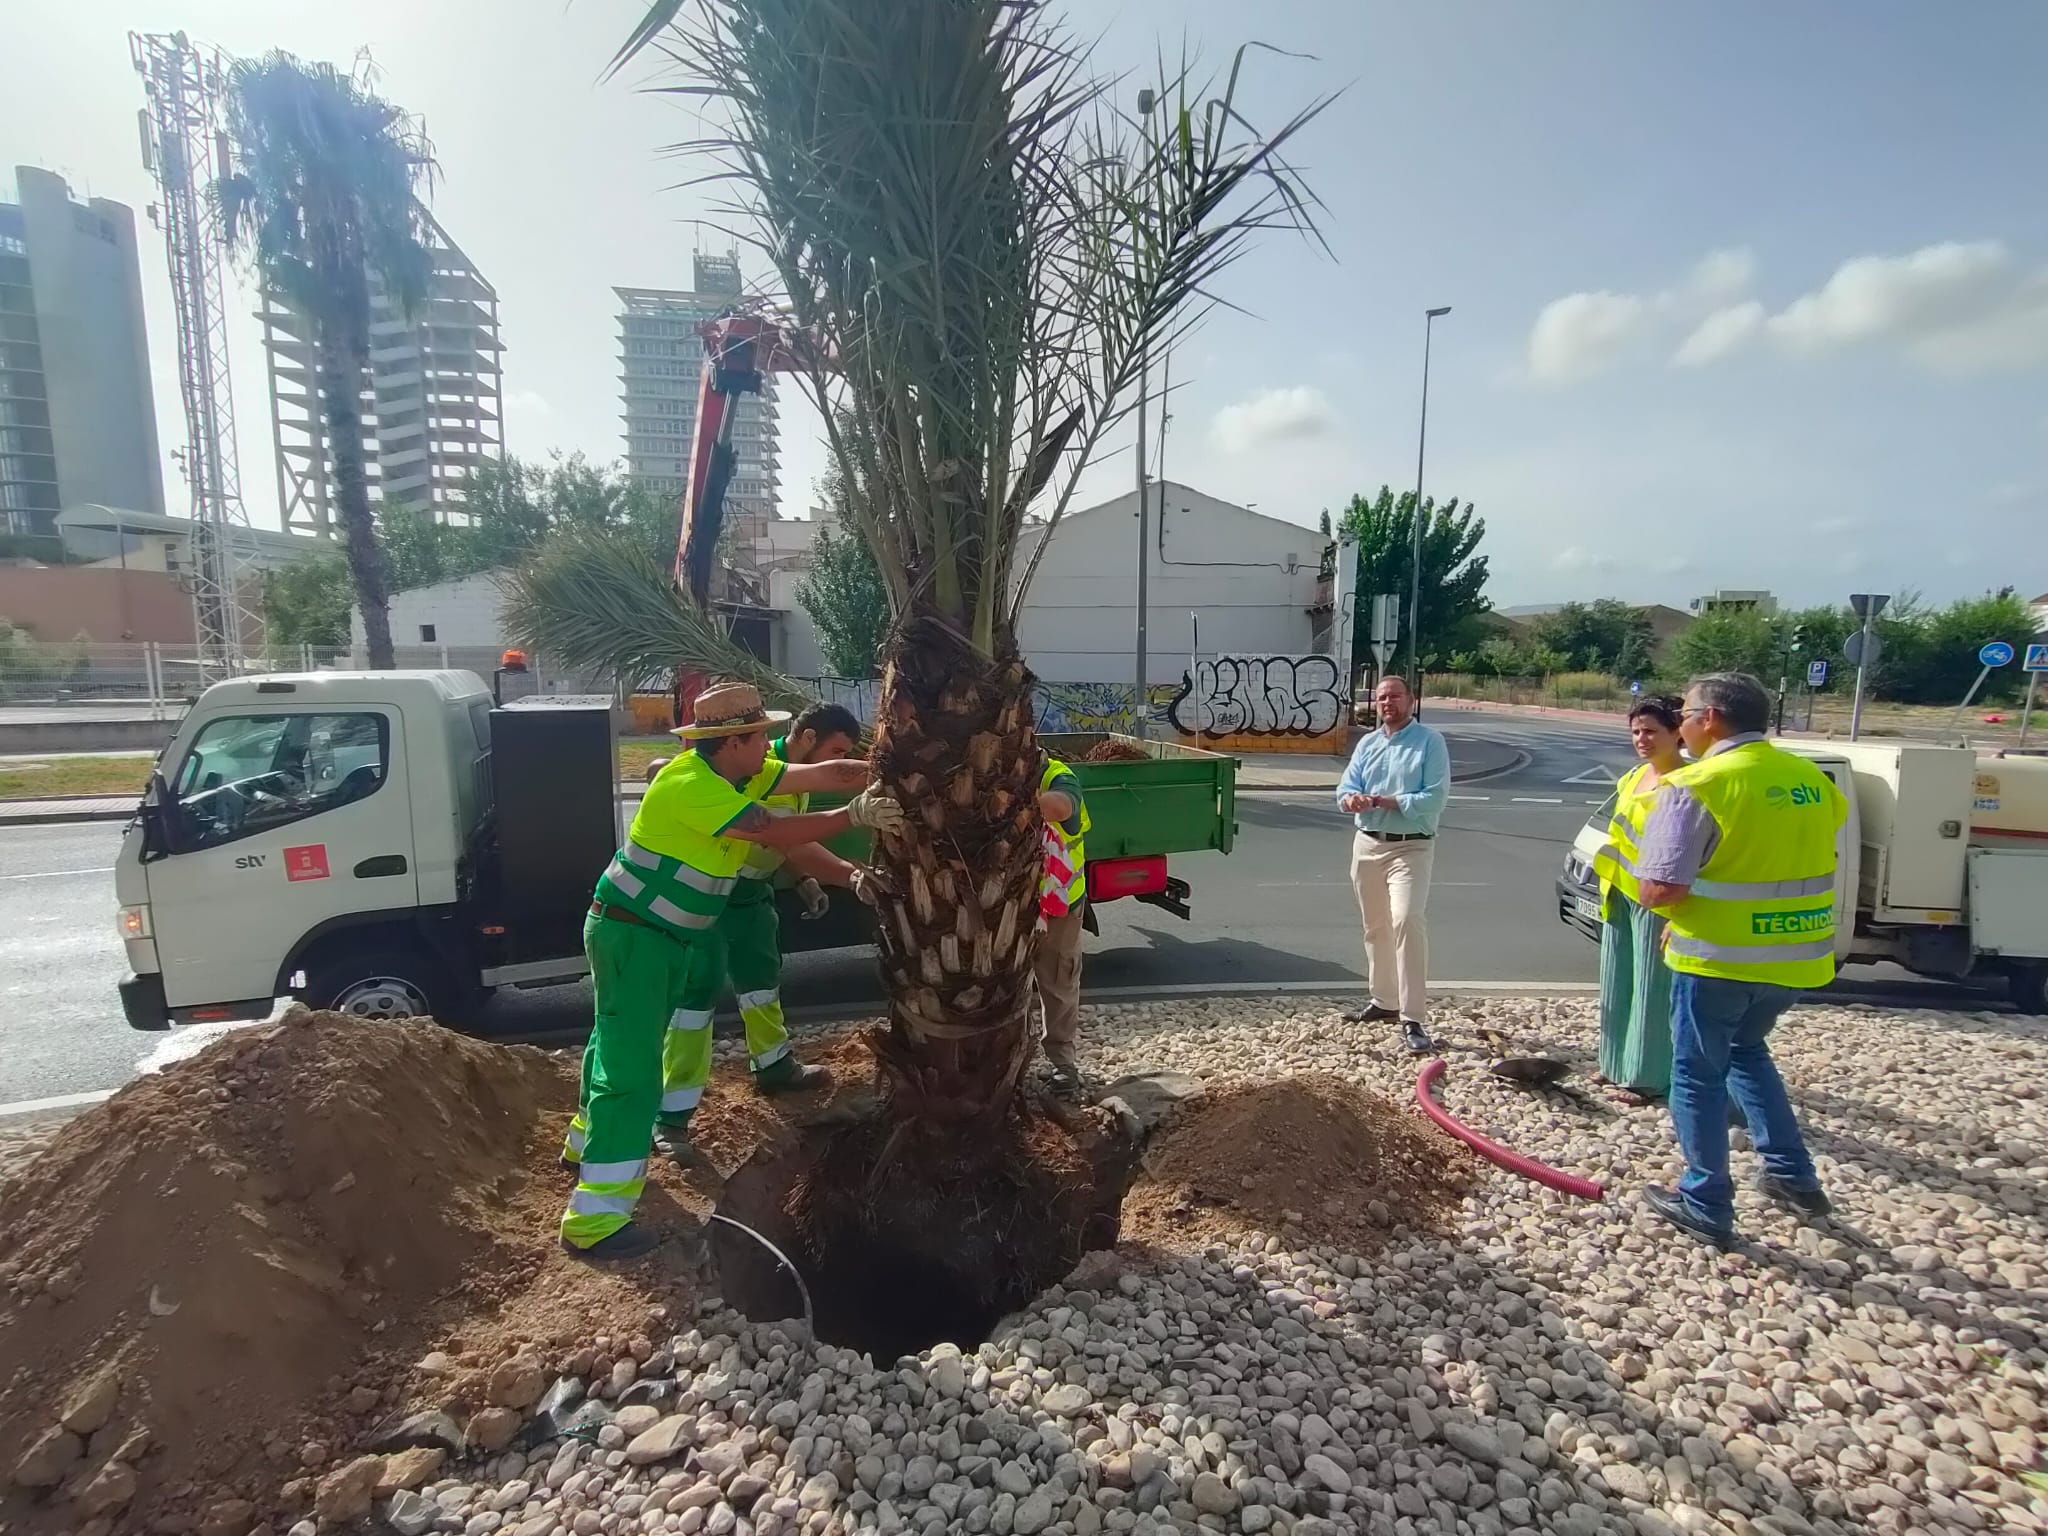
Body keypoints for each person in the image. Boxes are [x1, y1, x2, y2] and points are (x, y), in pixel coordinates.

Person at [559, 681, 903, 1260]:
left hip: (659, 937)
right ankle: (594, 1222)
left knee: (613, 1040)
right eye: (761, 737)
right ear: (733, 741)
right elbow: (772, 830)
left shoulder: (735, 771)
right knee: (631, 1069)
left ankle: (582, 1144)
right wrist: (854, 816)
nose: (770, 746)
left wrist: (890, 769)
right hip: (634, 936)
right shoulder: (692, 786)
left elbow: (824, 774)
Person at [1634, 672, 1847, 1247]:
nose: (1679, 722)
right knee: (1749, 1052)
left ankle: (1705, 1200)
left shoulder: (1697, 785)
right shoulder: (1809, 778)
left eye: (1685, 712)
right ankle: (1793, 1176)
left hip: (1718, 960)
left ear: (1711, 719)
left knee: (1696, 1075)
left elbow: (1660, 889)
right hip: (1797, 959)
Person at [656, 702, 875, 1126]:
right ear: (808, 738)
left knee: (760, 979)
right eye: (837, 748)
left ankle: (774, 1065)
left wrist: (803, 881)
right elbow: (782, 836)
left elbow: (820, 787)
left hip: (751, 894)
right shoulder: (746, 771)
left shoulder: (776, 769)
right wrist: (849, 872)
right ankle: (673, 1112)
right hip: (711, 896)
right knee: (695, 997)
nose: (761, 743)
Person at [1336, 674, 1451, 1053]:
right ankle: (1384, 1001)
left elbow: (1433, 798)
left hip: (1411, 848)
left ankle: (1413, 1017)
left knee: (1406, 920)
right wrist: (1351, 800)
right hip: (1367, 844)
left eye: (1395, 696)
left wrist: (1385, 801)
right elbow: (1346, 787)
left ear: (1410, 700)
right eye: (1382, 697)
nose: (1387, 702)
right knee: (1376, 927)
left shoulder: (1429, 743)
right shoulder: (1367, 743)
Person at [1593, 696, 1685, 1105]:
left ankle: (1646, 1078)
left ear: (1676, 732)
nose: (1641, 739)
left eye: (1651, 731)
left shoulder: (1687, 781)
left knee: (1651, 988)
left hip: (1658, 899)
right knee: (1618, 983)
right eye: (1635, 732)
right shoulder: (1634, 776)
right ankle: (1614, 1064)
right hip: (1619, 890)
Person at [1034, 751, 1092, 1096]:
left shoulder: (1058, 776)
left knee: (1057, 981)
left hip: (1059, 905)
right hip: (1008, 903)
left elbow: (1062, 806)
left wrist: (1007, 801)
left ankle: (1063, 1066)